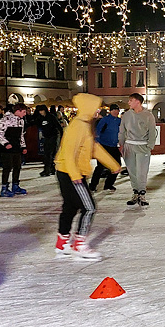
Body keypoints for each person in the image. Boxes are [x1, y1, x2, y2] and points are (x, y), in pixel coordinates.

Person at [54, 93, 121, 260]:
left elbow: (94, 149)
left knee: (70, 207)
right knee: (89, 207)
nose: (98, 111)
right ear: (89, 108)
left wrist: (113, 165)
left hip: (69, 172)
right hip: (71, 173)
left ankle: (62, 244)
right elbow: (69, 153)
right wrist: (75, 175)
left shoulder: (85, 125)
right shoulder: (78, 126)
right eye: (96, 107)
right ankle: (79, 245)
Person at [119, 93, 158, 206]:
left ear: (138, 102)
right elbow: (122, 131)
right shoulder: (126, 115)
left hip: (142, 146)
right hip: (129, 146)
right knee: (132, 171)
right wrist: (121, 144)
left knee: (142, 171)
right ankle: (135, 192)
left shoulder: (148, 115)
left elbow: (152, 131)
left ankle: (142, 193)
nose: (129, 102)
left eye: (131, 100)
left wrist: (150, 146)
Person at [0, 102, 28, 197]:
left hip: (16, 148)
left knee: (17, 167)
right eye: (24, 112)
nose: (25, 114)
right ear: (18, 111)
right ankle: (4, 188)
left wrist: (23, 146)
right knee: (7, 167)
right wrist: (5, 143)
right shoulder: (6, 119)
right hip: (7, 149)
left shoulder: (21, 121)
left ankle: (15, 185)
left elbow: (21, 135)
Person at [89, 104, 122, 192]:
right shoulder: (105, 120)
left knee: (117, 165)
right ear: (110, 111)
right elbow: (98, 131)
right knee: (100, 166)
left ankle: (108, 184)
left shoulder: (119, 121)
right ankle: (92, 185)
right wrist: (97, 143)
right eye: (114, 110)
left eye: (117, 110)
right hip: (104, 146)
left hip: (114, 146)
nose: (116, 111)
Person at [35, 104, 60, 177]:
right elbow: (36, 123)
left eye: (42, 111)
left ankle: (48, 169)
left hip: (53, 137)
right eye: (39, 111)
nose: (41, 112)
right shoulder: (40, 118)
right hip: (46, 137)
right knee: (47, 154)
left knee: (50, 154)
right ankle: (51, 169)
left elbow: (58, 126)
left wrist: (61, 135)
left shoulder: (51, 117)